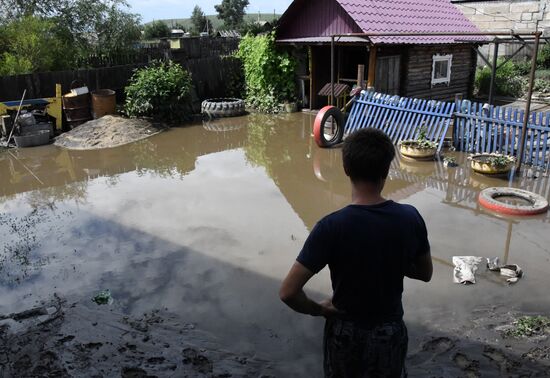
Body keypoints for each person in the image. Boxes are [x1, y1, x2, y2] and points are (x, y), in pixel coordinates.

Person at [279, 128, 432, 378]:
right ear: (386, 171)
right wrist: (388, 259)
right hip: (389, 330)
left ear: (346, 169)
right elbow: (425, 273)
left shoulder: (331, 227)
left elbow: (287, 292)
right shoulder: (410, 218)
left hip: (344, 331)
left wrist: (319, 309)